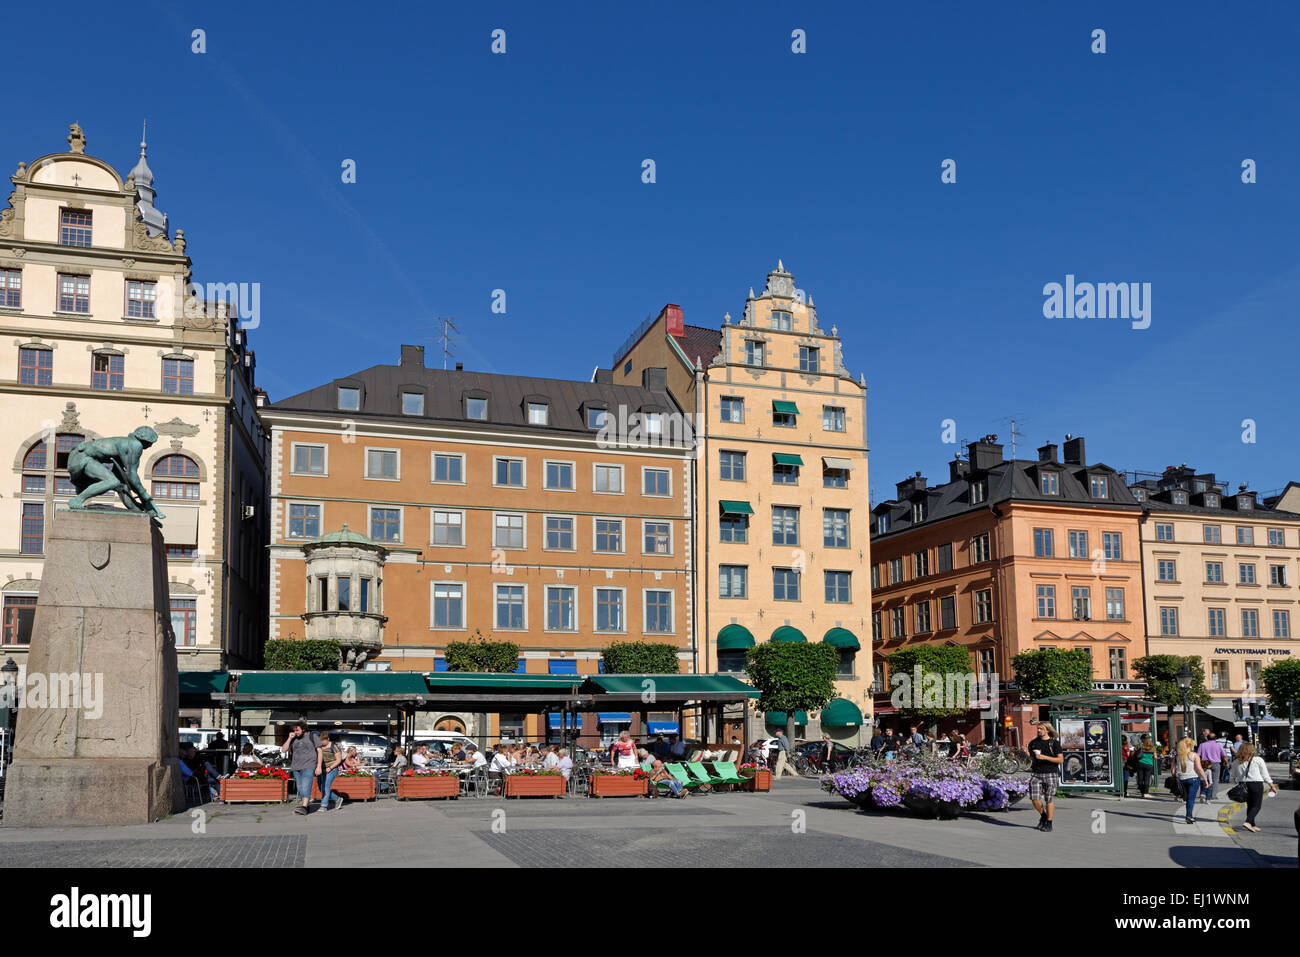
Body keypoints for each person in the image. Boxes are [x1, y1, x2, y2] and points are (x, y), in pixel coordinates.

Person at [1230, 742, 1277, 833]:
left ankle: (1252, 824)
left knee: (1250, 805)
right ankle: (1248, 822)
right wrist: (1272, 785)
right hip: (1256, 784)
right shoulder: (1257, 759)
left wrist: (1239, 780)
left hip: (1243, 785)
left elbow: (1233, 774)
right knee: (1256, 805)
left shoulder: (1236, 761)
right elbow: (1265, 774)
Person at [1026, 721, 1064, 832]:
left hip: (1051, 773)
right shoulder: (1034, 742)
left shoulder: (1054, 743)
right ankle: (1043, 816)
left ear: (1047, 730)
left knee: (1049, 799)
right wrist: (1026, 753)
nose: (1038, 730)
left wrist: (1045, 757)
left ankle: (1049, 822)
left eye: (1041, 729)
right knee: (1034, 798)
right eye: (1038, 728)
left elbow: (1060, 760)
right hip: (1036, 773)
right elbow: (1033, 758)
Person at [281, 722, 321, 815]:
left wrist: (318, 766)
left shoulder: (312, 736)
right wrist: (290, 738)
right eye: (294, 730)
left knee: (305, 786)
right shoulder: (293, 738)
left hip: (309, 765)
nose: (296, 732)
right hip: (296, 767)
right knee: (300, 788)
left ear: (303, 729)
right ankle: (306, 806)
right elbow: (283, 749)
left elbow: (319, 751)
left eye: (297, 730)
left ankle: (303, 807)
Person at [1174, 737, 1211, 824]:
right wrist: (1205, 780)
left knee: (1187, 798)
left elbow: (1173, 770)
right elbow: (1199, 769)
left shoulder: (1178, 756)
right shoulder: (1194, 755)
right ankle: (1189, 816)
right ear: (1190, 745)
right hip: (1193, 778)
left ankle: (1189, 815)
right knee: (1191, 799)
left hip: (1182, 779)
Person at [317, 732, 344, 812]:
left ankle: (324, 805)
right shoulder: (319, 747)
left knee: (325, 786)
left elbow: (339, 760)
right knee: (321, 788)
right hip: (321, 769)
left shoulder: (334, 746)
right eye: (320, 740)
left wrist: (330, 767)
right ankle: (338, 799)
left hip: (332, 769)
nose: (321, 742)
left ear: (328, 739)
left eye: (323, 740)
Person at [1196, 732, 1226, 803]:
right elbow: (1224, 755)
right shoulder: (1218, 745)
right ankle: (1213, 795)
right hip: (1216, 763)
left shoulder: (1202, 745)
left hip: (1205, 763)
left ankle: (1203, 793)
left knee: (1204, 778)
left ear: (1207, 738)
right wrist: (1227, 762)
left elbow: (1198, 755)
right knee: (1215, 779)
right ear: (1215, 738)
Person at [1127, 734, 1157, 798]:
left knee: (1140, 779)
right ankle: (1146, 793)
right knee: (1147, 779)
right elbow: (1155, 757)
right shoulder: (1152, 747)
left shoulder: (1139, 746)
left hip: (1140, 764)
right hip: (1149, 764)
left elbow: (1133, 753)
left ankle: (1142, 791)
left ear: (1142, 739)